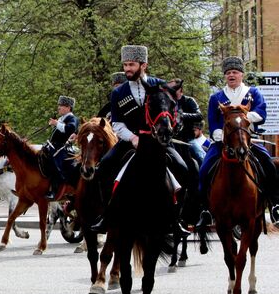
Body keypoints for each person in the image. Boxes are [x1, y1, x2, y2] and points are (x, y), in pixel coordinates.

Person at [90, 45, 188, 234]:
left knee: (184, 168)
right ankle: (106, 215)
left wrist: (169, 128)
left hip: (158, 141)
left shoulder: (160, 85)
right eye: (125, 65)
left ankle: (177, 218)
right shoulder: (119, 93)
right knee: (104, 167)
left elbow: (174, 112)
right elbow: (117, 124)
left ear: (144, 65)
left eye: (132, 65)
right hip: (130, 140)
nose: (127, 69)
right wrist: (133, 138)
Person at [196, 57, 279, 228]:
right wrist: (219, 134)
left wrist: (242, 119)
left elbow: (261, 113)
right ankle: (204, 209)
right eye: (228, 73)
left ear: (242, 74)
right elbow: (213, 120)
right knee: (204, 168)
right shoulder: (216, 97)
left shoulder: (252, 93)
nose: (231, 75)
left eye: (234, 72)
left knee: (268, 164)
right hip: (223, 142)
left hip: (248, 139)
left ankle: (274, 203)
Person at [43, 96, 79, 200]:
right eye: (59, 105)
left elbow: (70, 129)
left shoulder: (72, 118)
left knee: (55, 165)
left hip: (62, 147)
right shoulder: (61, 119)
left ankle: (55, 191)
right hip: (52, 146)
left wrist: (56, 124)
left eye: (61, 106)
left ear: (68, 107)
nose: (59, 108)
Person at [168, 78, 205, 165]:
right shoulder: (167, 102)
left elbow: (199, 116)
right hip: (171, 139)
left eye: (173, 87)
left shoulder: (189, 101)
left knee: (201, 157)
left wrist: (182, 115)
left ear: (180, 88)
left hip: (187, 139)